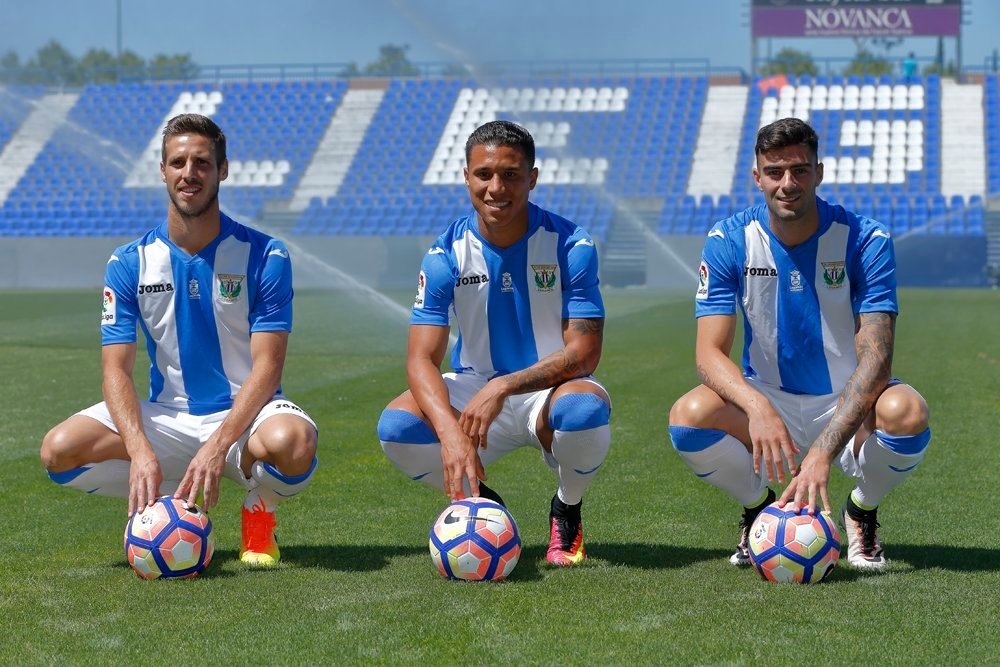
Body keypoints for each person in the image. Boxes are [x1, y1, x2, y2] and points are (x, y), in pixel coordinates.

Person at [40, 113, 318, 568]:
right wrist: (140, 450)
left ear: (222, 170)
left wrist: (215, 446)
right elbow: (115, 370)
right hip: (168, 417)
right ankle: (164, 498)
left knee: (294, 443)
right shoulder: (129, 262)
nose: (190, 173)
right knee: (59, 450)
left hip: (244, 417)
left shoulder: (266, 254)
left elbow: (268, 367)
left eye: (202, 163)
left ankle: (260, 507)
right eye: (179, 162)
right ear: (163, 170)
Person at [668, 118, 930, 571]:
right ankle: (757, 510)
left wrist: (822, 453)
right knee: (688, 418)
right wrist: (757, 407)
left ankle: (861, 510)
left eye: (800, 170)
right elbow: (708, 355)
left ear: (819, 173)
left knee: (906, 412)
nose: (787, 184)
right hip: (769, 396)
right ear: (757, 177)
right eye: (775, 172)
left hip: (846, 397)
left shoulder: (866, 239)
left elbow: (877, 360)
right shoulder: (729, 239)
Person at [377, 120, 611, 566]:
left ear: (532, 178)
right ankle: (484, 504)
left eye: (510, 174)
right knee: (397, 427)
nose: (495, 187)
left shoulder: (571, 244)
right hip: (473, 386)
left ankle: (567, 507)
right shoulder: (445, 253)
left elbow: (584, 354)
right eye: (483, 175)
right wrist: (450, 433)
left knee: (584, 411)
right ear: (466, 176)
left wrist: (503, 387)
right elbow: (420, 358)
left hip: (548, 390)